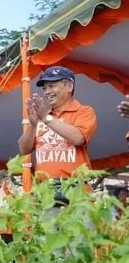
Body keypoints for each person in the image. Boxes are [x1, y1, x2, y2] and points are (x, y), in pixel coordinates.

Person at [18, 66, 97, 202]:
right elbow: (24, 149)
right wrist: (33, 124)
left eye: (51, 86)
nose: (47, 92)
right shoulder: (43, 116)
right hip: (46, 190)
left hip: (75, 189)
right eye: (44, 88)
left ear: (69, 86)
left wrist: (46, 118)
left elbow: (78, 138)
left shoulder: (84, 111)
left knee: (77, 223)